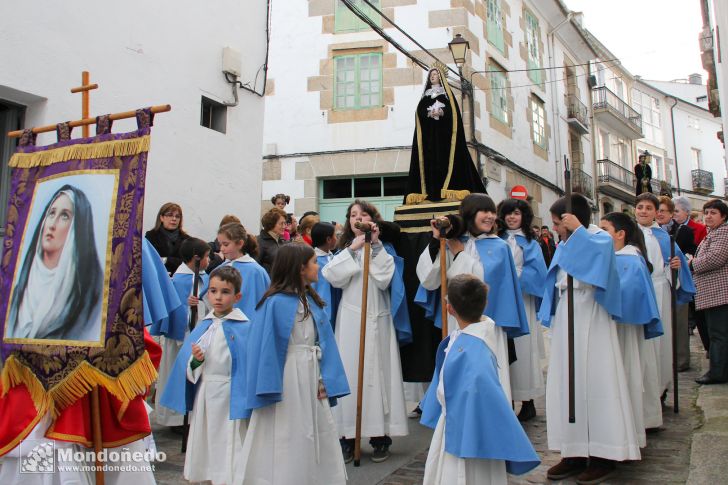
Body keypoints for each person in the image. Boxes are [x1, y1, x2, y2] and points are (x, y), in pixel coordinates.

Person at [539, 193, 641, 483]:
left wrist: (579, 233)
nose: (556, 228)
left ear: (574, 220)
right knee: (567, 383)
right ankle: (572, 451)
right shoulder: (566, 242)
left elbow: (598, 264)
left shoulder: (598, 238)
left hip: (591, 313)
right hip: (567, 315)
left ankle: (603, 453)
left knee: (596, 381)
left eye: (559, 223)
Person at [240, 244, 350, 484]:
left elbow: (322, 340)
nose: (317, 266)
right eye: (313, 262)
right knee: (289, 429)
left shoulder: (308, 297)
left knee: (315, 427)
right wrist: (268, 382)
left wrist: (323, 376)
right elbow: (264, 346)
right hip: (288, 375)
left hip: (310, 370)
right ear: (300, 268)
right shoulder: (275, 303)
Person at [420, 274, 540, 484]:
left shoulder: (470, 352)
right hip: (466, 426)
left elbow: (452, 392)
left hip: (467, 433)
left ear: (449, 309)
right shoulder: (474, 339)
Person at [416, 193, 530, 402]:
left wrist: (460, 254)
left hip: (489, 322)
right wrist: (436, 241)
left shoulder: (500, 247)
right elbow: (429, 280)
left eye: (492, 212)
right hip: (457, 321)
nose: (490, 216)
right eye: (484, 211)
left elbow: (478, 283)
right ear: (469, 213)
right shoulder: (451, 242)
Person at [322, 199, 410, 463]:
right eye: (352, 215)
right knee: (350, 372)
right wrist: (352, 250)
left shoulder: (384, 250)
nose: (356, 218)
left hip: (378, 318)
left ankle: (380, 436)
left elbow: (384, 278)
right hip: (350, 319)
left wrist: (375, 246)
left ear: (373, 220)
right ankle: (348, 436)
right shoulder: (345, 249)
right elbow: (332, 276)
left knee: (379, 374)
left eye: (362, 214)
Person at [160, 266, 251, 485]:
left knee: (229, 440)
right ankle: (209, 476)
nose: (218, 297)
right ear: (207, 293)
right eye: (213, 291)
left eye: (225, 292)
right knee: (207, 437)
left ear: (237, 296)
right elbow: (190, 366)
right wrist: (197, 361)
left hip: (231, 393)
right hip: (207, 392)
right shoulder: (204, 326)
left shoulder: (245, 327)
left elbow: (247, 364)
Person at [6, 184, 103, 341]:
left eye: (64, 216)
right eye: (51, 213)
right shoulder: (17, 293)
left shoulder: (87, 300)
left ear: (76, 228)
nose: (52, 225)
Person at [600, 212, 664, 443]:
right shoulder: (613, 257)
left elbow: (630, 294)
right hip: (612, 328)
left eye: (604, 229)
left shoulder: (631, 260)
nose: (600, 233)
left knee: (630, 373)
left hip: (626, 329)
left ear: (620, 234)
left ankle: (632, 426)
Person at [635, 193, 695, 389]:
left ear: (656, 213)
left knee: (660, 342)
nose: (644, 211)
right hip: (635, 294)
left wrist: (675, 267)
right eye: (640, 207)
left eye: (649, 208)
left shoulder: (663, 238)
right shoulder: (625, 234)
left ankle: (660, 387)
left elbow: (675, 270)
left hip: (659, 291)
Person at [403, 64, 486, 204]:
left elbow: (453, 115)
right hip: (428, 140)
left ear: (441, 77)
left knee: (445, 162)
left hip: (444, 139)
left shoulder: (447, 96)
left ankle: (446, 191)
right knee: (428, 165)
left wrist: (442, 112)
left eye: (435, 75)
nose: (432, 77)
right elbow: (420, 113)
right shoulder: (425, 97)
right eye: (431, 75)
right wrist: (428, 113)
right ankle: (428, 194)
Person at [151, 237, 210, 428]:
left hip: (200, 335)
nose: (209, 260)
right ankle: (175, 419)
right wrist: (187, 307)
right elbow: (175, 310)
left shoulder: (204, 277)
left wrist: (202, 303)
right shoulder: (180, 279)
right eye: (207, 256)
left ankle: (191, 415)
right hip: (182, 337)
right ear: (196, 258)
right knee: (176, 375)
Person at [497, 199, 548, 422]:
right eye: (508, 214)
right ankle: (506, 397)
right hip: (500, 301)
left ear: (523, 216)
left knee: (524, 351)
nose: (511, 218)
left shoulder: (530, 243)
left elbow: (538, 274)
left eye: (516, 213)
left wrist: (514, 277)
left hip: (521, 301)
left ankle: (527, 401)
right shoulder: (496, 239)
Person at [690, 199, 728, 384]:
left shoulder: (723, 233)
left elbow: (715, 258)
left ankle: (717, 373)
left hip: (719, 293)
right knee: (718, 334)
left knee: (718, 335)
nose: (708, 216)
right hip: (714, 294)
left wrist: (691, 264)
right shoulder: (713, 232)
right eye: (706, 213)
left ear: (723, 216)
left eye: (713, 213)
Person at [217, 222, 270, 319]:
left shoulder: (256, 271)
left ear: (240, 244)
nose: (221, 249)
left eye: (226, 244)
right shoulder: (220, 268)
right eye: (220, 244)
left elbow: (262, 305)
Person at [310, 222, 342, 329]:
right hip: (324, 311)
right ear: (328, 240)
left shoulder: (331, 257)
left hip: (335, 305)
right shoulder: (315, 261)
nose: (336, 238)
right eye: (335, 236)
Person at [145, 202, 190, 274]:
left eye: (177, 216)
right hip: (158, 276)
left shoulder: (186, 239)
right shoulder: (151, 236)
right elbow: (151, 259)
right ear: (161, 218)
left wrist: (167, 260)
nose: (174, 219)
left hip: (179, 277)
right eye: (170, 215)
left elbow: (188, 263)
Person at [257, 207, 288, 274]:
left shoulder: (282, 241)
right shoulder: (259, 241)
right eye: (281, 223)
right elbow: (256, 267)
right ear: (271, 224)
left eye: (285, 223)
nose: (284, 227)